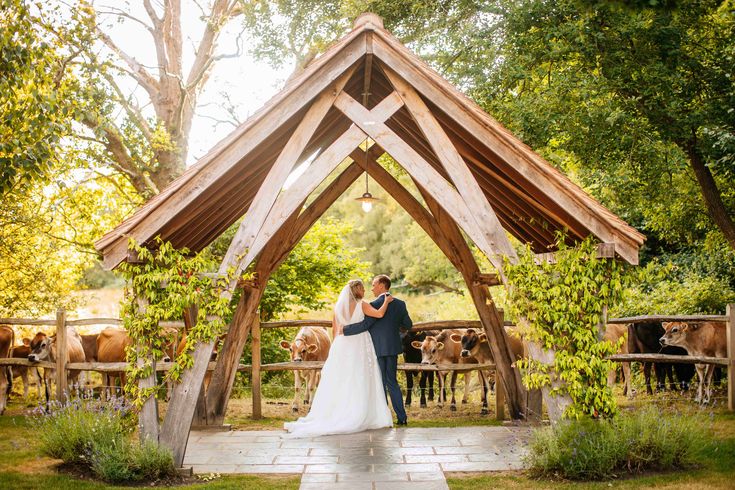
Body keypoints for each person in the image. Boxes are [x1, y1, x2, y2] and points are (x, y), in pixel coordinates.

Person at [283, 279, 393, 438]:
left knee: (342, 379)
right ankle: (358, 412)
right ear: (357, 290)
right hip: (359, 344)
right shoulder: (362, 304)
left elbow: (335, 331)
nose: (365, 290)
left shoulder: (338, 307)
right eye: (362, 288)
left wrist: (336, 349)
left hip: (342, 345)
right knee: (359, 377)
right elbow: (380, 314)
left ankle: (340, 411)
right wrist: (387, 302)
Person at [343, 274, 412, 425]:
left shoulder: (373, 305)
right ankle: (402, 418)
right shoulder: (400, 304)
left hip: (377, 349)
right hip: (393, 348)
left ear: (382, 285)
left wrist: (344, 330)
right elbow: (408, 325)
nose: (372, 288)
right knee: (392, 382)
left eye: (374, 285)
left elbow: (365, 325)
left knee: (380, 384)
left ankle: (383, 418)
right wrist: (397, 334)